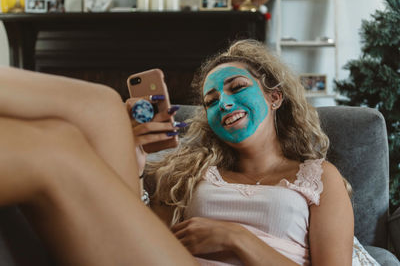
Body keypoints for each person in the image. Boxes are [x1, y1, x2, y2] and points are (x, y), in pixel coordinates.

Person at [0, 39, 378, 266]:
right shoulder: (190, 173)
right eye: (212, 100)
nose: (224, 103)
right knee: (69, 132)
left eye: (236, 87)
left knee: (83, 122)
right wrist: (132, 165)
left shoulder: (318, 177)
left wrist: (237, 239)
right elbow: (133, 241)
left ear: (275, 97)